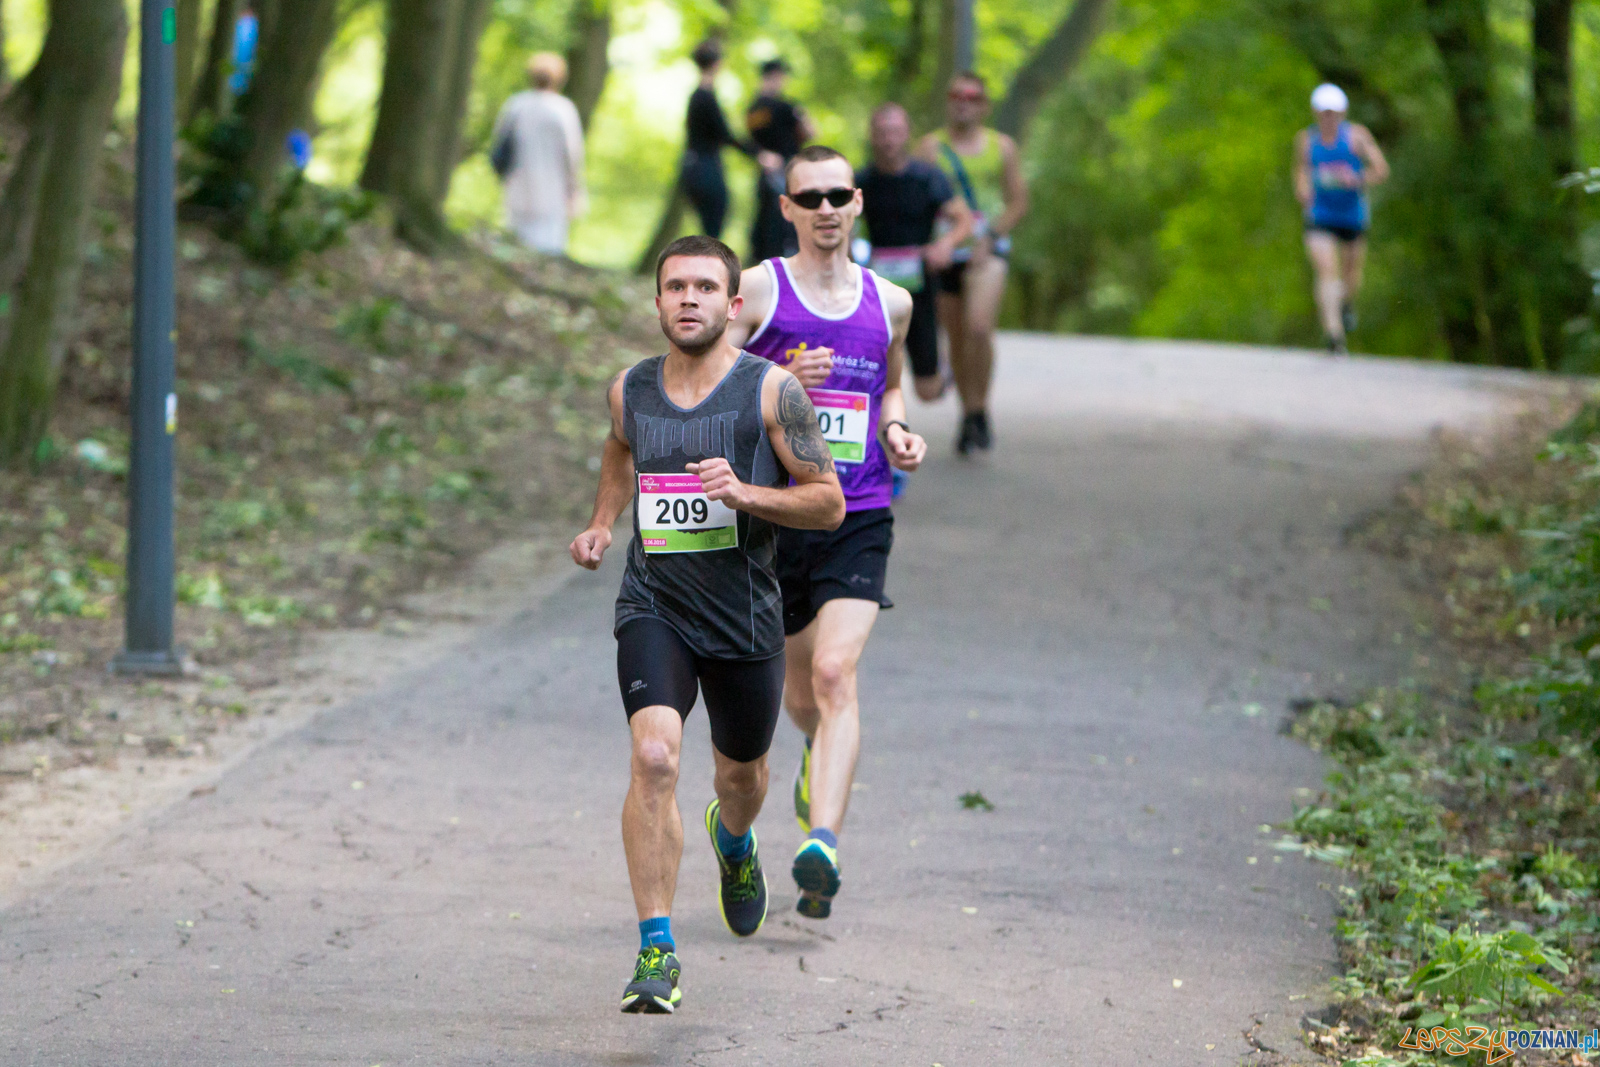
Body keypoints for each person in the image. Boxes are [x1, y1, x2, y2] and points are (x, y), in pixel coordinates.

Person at [569, 235, 845, 1014]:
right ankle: (656, 948)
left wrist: (746, 494)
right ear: (658, 301)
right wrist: (602, 522)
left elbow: (828, 502)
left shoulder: (772, 392)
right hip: (654, 604)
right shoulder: (630, 389)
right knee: (654, 756)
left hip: (744, 618)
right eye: (675, 286)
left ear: (733, 304)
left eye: (704, 287)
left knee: (741, 779)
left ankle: (734, 839)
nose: (688, 298)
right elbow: (621, 449)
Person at [725, 145, 929, 920]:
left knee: (837, 673)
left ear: (857, 201)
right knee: (800, 692)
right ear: (787, 208)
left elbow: (891, 386)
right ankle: (817, 753)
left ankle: (823, 843)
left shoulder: (892, 302)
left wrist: (898, 429)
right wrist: (776, 382)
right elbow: (706, 381)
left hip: (858, 510)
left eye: (837, 195)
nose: (825, 209)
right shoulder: (759, 289)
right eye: (808, 197)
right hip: (775, 516)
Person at [917, 72, 1028, 456]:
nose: (963, 102)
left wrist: (991, 237)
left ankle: (980, 406)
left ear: (984, 105)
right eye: (956, 95)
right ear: (949, 101)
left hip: (987, 251)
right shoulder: (930, 147)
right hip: (947, 252)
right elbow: (916, 197)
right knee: (958, 338)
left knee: (979, 328)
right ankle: (970, 414)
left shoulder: (1002, 148)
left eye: (972, 96)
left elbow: (1018, 201)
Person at [856, 102, 972, 404]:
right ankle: (884, 420)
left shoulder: (928, 177)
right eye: (882, 133)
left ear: (907, 134)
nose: (889, 140)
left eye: (895, 132)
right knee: (869, 373)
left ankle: (942, 371)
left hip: (920, 282)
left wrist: (944, 246)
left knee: (927, 391)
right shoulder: (860, 181)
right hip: (876, 285)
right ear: (872, 136)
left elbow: (964, 219)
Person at [1294, 83, 1389, 354]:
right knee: (1326, 271)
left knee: (1351, 273)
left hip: (1351, 215)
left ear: (1342, 113)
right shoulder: (1306, 140)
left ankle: (1346, 304)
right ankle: (1334, 335)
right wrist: (1302, 189)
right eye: (1324, 113)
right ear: (1316, 113)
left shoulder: (1357, 137)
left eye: (1333, 113)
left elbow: (1381, 170)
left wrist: (1356, 178)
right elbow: (1300, 170)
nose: (1328, 118)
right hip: (1320, 214)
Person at [683, 42, 783, 240]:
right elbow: (725, 135)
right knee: (714, 223)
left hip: (693, 167)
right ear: (717, 64)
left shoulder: (697, 96)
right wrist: (759, 154)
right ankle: (708, 259)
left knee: (711, 223)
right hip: (705, 169)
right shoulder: (705, 97)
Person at [491, 53, 587, 254]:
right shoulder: (563, 109)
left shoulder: (516, 105)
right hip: (553, 190)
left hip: (518, 183)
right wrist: (574, 189)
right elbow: (572, 154)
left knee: (516, 241)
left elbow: (499, 143)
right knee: (548, 246)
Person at [746, 59, 814, 264]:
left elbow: (810, 133)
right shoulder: (762, 108)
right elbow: (752, 140)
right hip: (774, 173)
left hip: (787, 170)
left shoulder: (786, 106)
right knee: (773, 218)